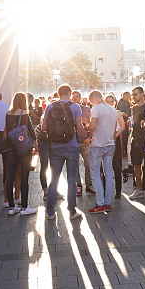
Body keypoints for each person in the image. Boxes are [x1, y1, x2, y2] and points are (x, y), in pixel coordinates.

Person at [44, 84, 88, 221]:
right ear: (69, 93)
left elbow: (44, 126)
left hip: (55, 147)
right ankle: (72, 211)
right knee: (71, 180)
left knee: (54, 179)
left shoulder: (50, 107)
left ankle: (50, 212)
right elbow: (79, 128)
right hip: (71, 146)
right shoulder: (75, 107)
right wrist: (86, 132)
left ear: (58, 93)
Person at [3, 92, 37, 216]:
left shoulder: (8, 113)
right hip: (24, 149)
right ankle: (24, 206)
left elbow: (6, 130)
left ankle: (11, 207)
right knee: (24, 176)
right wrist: (35, 143)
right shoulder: (25, 113)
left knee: (10, 176)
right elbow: (30, 131)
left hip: (11, 148)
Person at [88, 90, 121, 214]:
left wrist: (86, 127)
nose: (91, 103)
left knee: (95, 174)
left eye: (91, 101)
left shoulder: (96, 109)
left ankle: (100, 203)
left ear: (94, 98)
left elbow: (92, 126)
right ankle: (108, 203)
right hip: (110, 144)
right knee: (109, 173)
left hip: (98, 145)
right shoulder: (113, 110)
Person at [128, 87, 145, 199]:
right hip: (135, 139)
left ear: (142, 94)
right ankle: (139, 189)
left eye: (136, 94)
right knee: (136, 165)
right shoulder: (133, 108)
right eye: (133, 94)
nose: (134, 96)